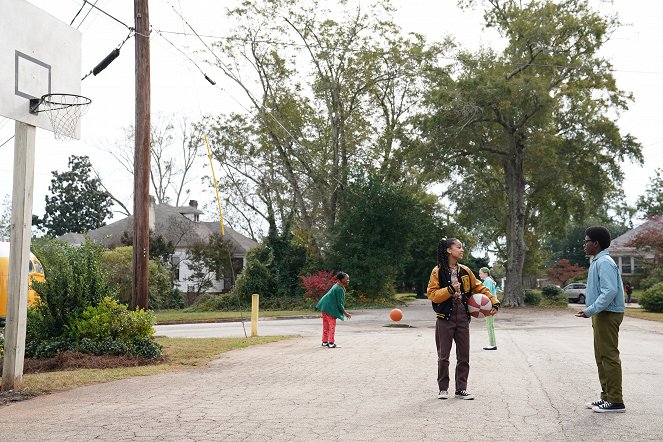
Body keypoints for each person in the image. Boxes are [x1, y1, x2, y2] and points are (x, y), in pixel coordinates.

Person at [427, 238, 500, 400]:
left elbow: (479, 287)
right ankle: (443, 388)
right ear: (448, 250)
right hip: (445, 317)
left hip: (463, 316)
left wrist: (493, 302)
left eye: (462, 247)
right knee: (443, 356)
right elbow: (432, 295)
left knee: (464, 356)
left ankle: (461, 389)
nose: (462, 250)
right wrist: (450, 289)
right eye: (458, 247)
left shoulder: (466, 271)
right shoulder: (437, 271)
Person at [575, 226, 626, 413]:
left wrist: (591, 310)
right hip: (601, 313)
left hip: (608, 313)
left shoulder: (604, 262)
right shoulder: (598, 261)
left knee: (609, 356)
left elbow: (610, 291)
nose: (584, 245)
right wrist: (592, 311)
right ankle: (606, 396)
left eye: (586, 241)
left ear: (595, 243)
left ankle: (615, 401)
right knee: (601, 356)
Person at [315, 272, 352, 348]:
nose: (348, 280)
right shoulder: (339, 289)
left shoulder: (337, 286)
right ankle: (331, 343)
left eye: (348, 279)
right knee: (332, 325)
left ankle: (325, 342)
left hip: (324, 306)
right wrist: (346, 313)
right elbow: (339, 304)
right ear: (340, 280)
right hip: (329, 308)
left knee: (326, 325)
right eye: (346, 279)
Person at [478, 267, 498, 350]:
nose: (479, 275)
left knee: (489, 325)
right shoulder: (488, 281)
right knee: (490, 325)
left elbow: (487, 293)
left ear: (485, 273)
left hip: (490, 306)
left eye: (480, 273)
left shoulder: (487, 281)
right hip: (491, 305)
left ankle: (492, 344)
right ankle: (492, 344)